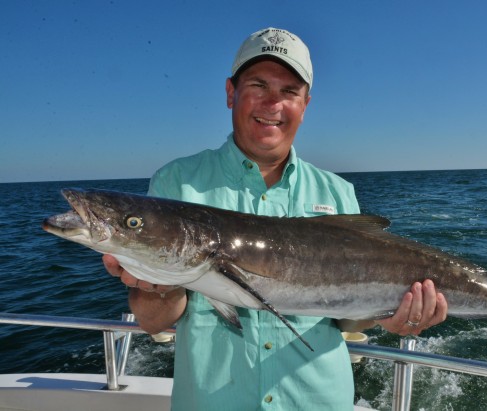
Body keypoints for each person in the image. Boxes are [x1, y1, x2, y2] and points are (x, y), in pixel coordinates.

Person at [103, 27, 448, 410]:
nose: (273, 104)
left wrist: (391, 317)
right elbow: (152, 323)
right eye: (258, 85)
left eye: (289, 92)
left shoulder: (337, 192)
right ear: (231, 92)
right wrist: (157, 286)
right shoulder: (176, 183)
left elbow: (349, 322)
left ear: (305, 104)